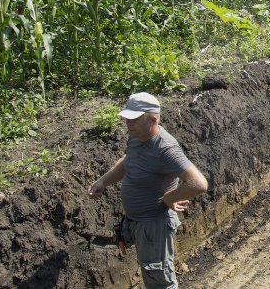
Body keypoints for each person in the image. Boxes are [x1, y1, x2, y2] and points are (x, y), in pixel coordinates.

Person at [88, 92, 208, 289]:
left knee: (160, 282)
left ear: (152, 119)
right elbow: (128, 162)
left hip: (154, 227)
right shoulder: (137, 137)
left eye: (134, 119)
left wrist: (170, 197)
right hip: (138, 222)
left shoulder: (166, 149)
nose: (128, 122)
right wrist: (103, 181)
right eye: (127, 117)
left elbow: (198, 183)